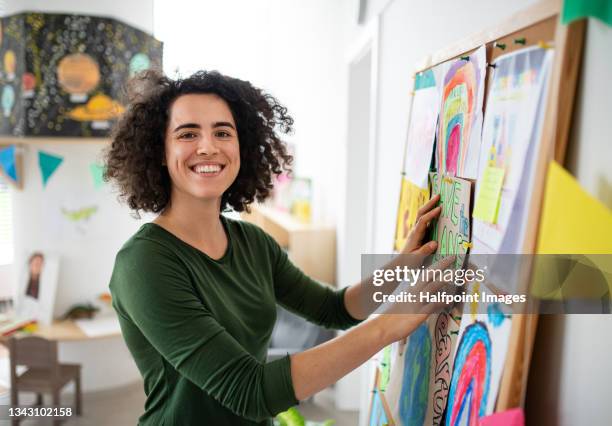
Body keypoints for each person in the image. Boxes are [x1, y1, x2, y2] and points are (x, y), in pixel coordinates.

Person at [105, 70, 444, 425]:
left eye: (223, 132)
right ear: (160, 151)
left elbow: (335, 309)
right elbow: (248, 390)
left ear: (242, 147)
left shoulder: (254, 243)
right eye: (188, 133)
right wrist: (387, 327)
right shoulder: (143, 263)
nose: (208, 146)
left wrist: (403, 264)